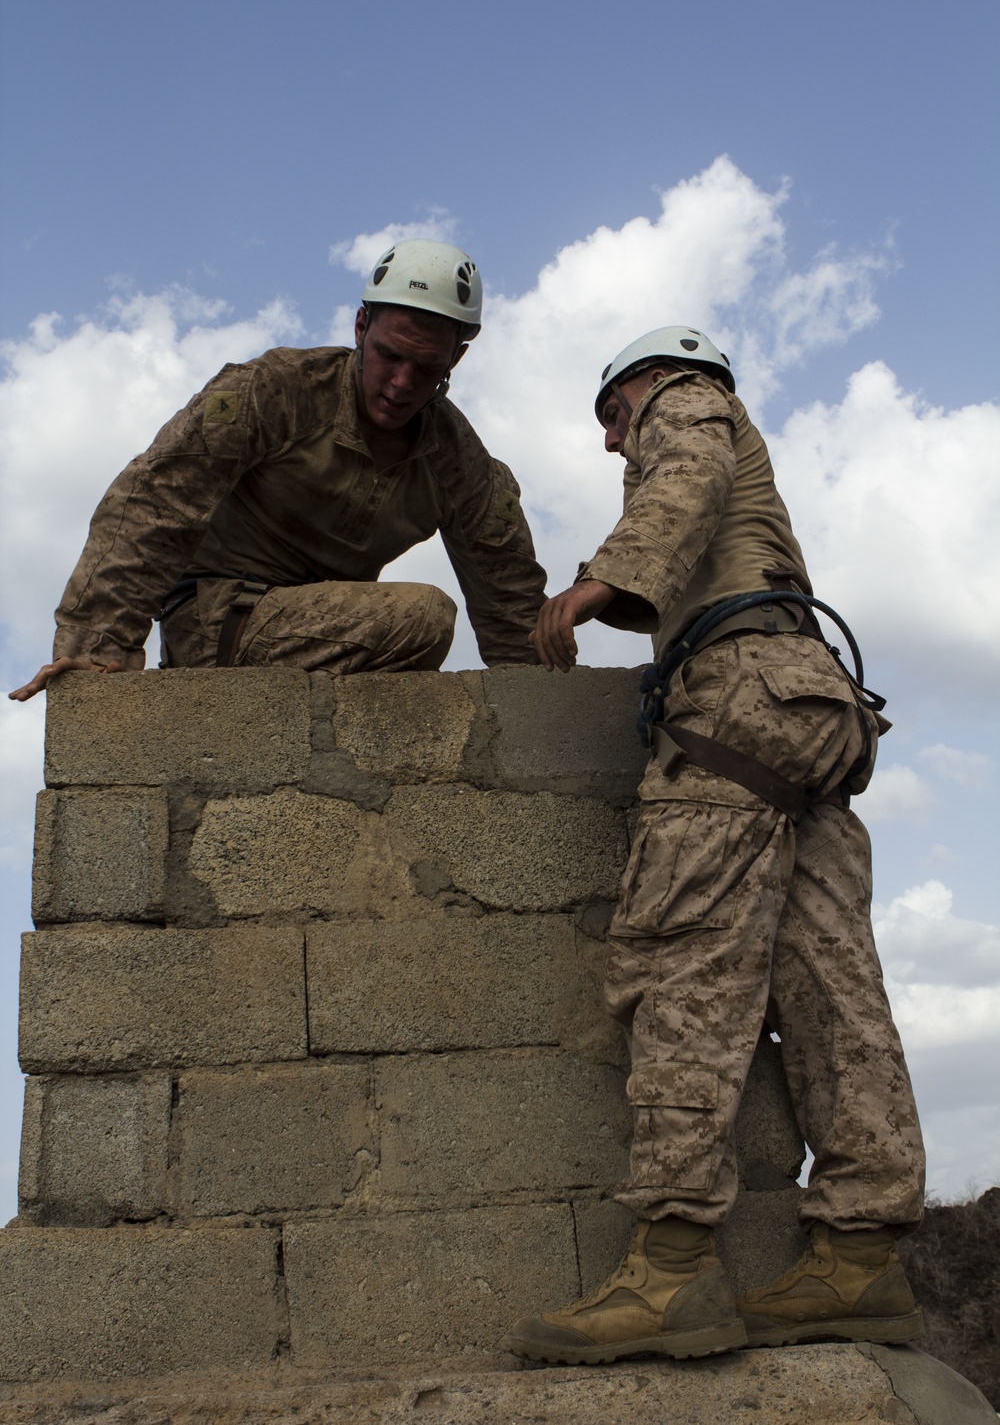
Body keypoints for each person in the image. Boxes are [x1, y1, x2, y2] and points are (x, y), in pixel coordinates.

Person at [509, 326, 925, 1364]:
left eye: (612, 415)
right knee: (831, 980)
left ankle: (669, 1271)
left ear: (644, 382)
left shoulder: (685, 401)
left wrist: (599, 584)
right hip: (813, 705)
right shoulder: (745, 449)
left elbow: (680, 476)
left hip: (736, 697)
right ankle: (860, 1258)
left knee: (682, 964)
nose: (614, 442)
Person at [10, 240, 545, 701]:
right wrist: (97, 649)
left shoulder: (462, 465)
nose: (403, 382)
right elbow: (154, 504)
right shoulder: (275, 391)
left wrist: (540, 717)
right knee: (422, 616)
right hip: (214, 619)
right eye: (389, 355)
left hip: (331, 636)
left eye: (427, 366)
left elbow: (512, 604)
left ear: (456, 358)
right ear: (362, 327)